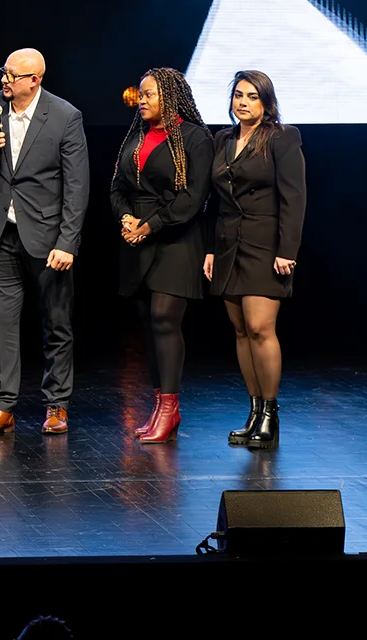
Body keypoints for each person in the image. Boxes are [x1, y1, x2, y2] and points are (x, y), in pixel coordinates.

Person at [0, 48, 89, 436]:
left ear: (34, 80)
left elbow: (77, 185)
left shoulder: (65, 116)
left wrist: (68, 241)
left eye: (12, 75)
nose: (4, 80)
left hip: (48, 239)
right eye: (4, 72)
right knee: (1, 324)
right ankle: (2, 407)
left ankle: (57, 405)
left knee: (56, 322)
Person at [112, 67, 214, 445]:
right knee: (148, 324)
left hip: (176, 239)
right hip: (137, 240)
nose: (141, 101)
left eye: (149, 94)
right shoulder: (136, 135)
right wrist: (125, 217)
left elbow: (193, 197)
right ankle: (159, 406)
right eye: (140, 94)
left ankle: (171, 408)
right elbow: (117, 187)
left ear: (170, 96)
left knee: (164, 319)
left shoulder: (195, 137)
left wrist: (150, 225)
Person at [205, 70, 306, 449]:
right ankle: (253, 411)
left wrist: (287, 251)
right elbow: (216, 201)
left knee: (261, 327)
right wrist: (212, 248)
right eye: (238, 95)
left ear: (266, 102)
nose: (243, 102)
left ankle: (270, 414)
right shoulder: (223, 139)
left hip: (266, 244)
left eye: (252, 96)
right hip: (229, 244)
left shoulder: (282, 137)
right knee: (241, 330)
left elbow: (294, 198)